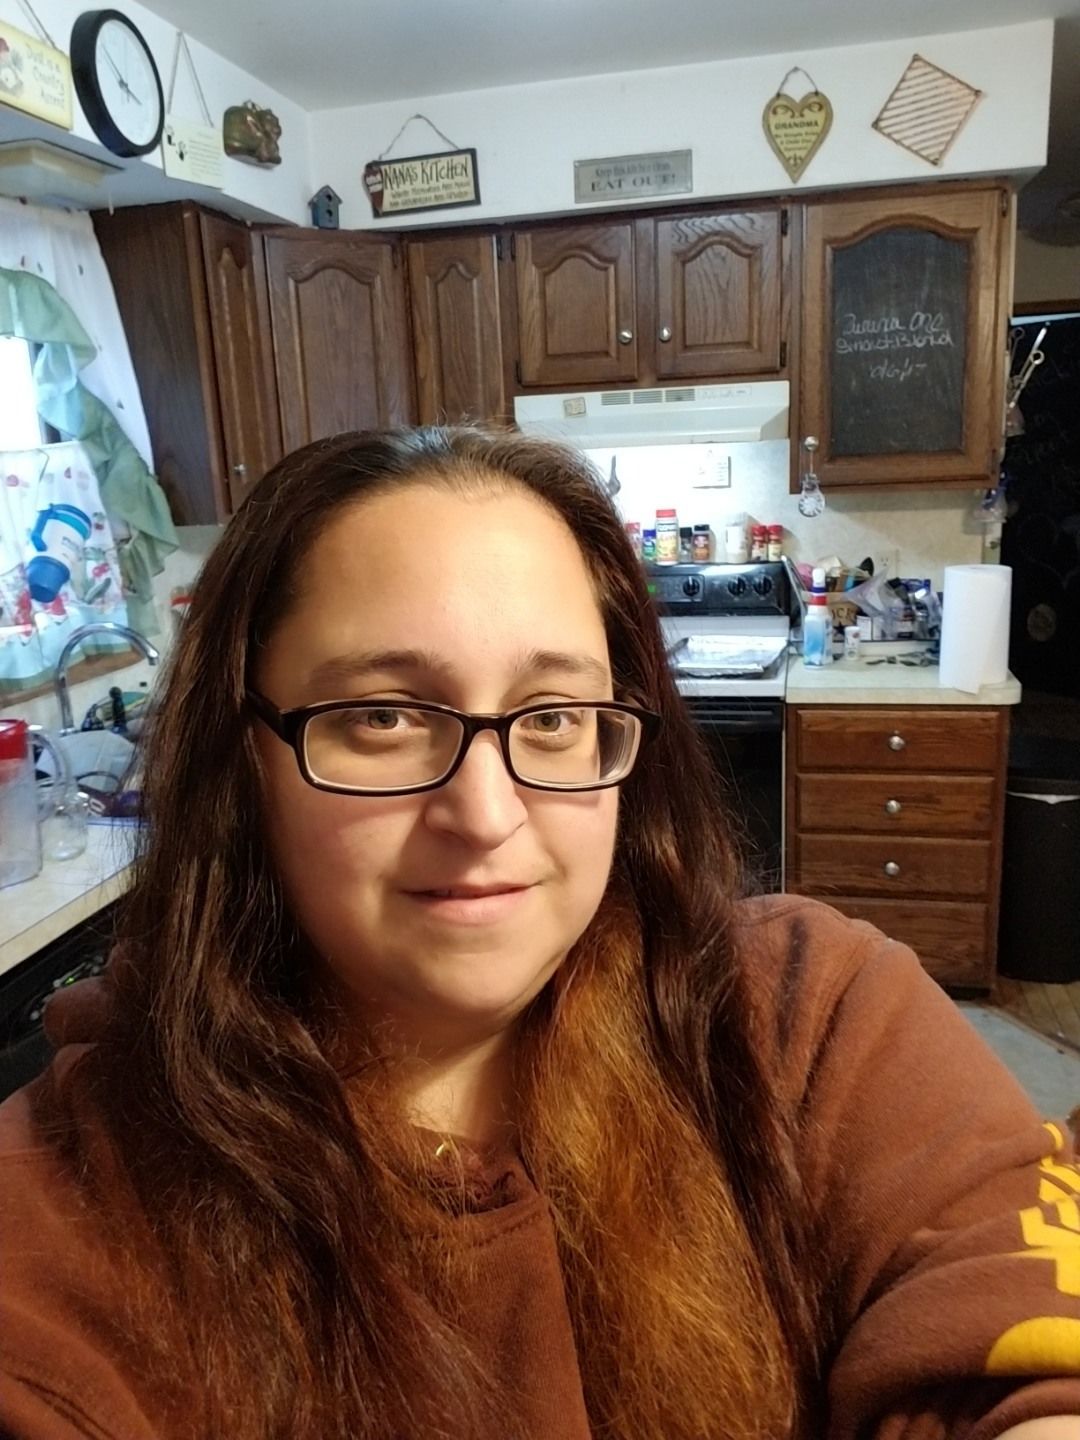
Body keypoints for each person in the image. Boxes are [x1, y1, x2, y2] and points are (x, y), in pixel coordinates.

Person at [0, 427, 1077, 1440]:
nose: (486, 815)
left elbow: (1011, 1323)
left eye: (554, 716)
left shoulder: (808, 1019)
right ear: (245, 758)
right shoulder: (69, 1219)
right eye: (384, 715)